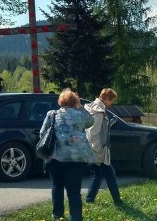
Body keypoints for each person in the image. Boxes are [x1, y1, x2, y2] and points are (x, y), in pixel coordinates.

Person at [40, 88, 95, 221]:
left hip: (56, 158)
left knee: (57, 186)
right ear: (75, 102)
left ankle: (57, 215)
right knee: (74, 192)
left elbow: (43, 133)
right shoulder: (80, 115)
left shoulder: (52, 114)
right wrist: (81, 107)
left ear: (60, 101)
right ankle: (75, 218)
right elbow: (91, 121)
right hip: (77, 160)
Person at [85, 88, 123, 206]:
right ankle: (117, 201)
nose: (111, 104)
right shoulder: (99, 112)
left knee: (98, 176)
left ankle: (90, 199)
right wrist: (99, 151)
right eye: (111, 101)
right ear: (106, 98)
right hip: (98, 150)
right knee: (108, 175)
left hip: (93, 149)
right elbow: (93, 133)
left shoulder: (92, 107)